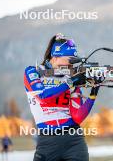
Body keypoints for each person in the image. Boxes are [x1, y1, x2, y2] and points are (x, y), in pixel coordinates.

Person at [24, 33, 100, 161]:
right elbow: (43, 96)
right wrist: (71, 82)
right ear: (55, 56)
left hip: (74, 140)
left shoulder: (70, 78)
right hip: (47, 142)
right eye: (69, 60)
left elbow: (77, 116)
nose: (71, 65)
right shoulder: (33, 72)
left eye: (74, 62)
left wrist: (94, 90)